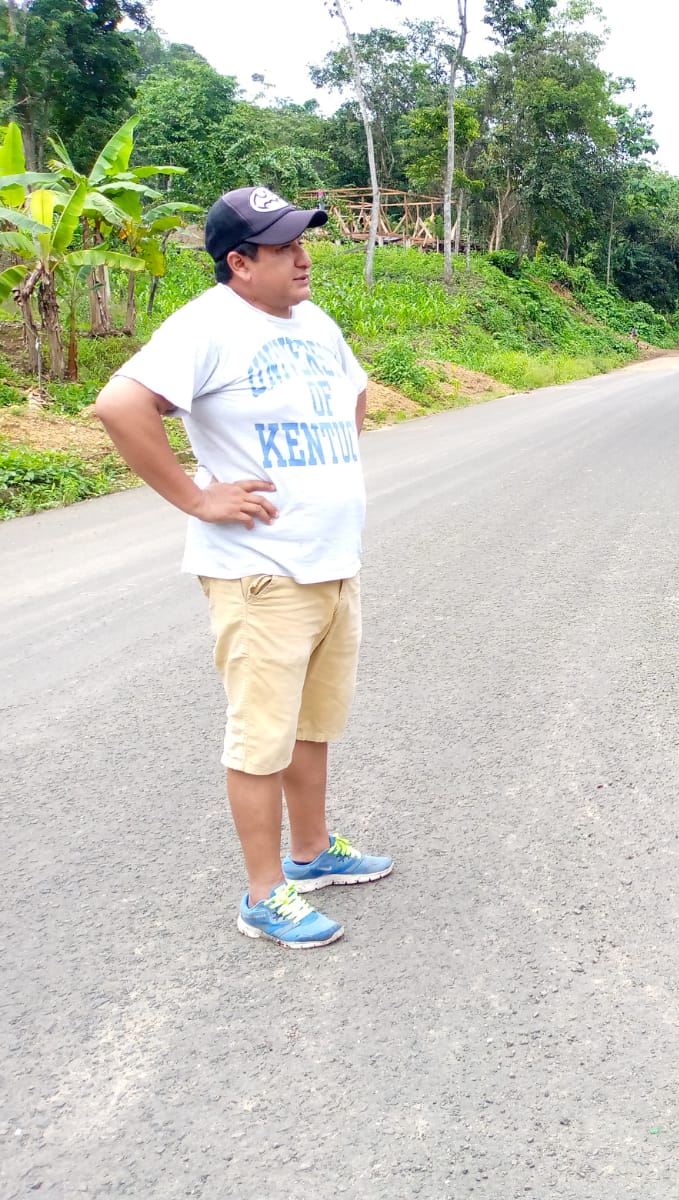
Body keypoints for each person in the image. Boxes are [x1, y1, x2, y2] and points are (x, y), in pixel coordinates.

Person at [95, 186, 392, 947]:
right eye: (283, 247)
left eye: (303, 242)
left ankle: (312, 853)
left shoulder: (314, 322)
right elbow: (120, 406)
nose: (303, 258)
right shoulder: (207, 325)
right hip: (260, 573)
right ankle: (264, 894)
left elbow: (356, 395)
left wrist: (325, 469)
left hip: (331, 563)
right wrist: (198, 498)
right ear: (238, 262)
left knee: (311, 724)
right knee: (261, 739)